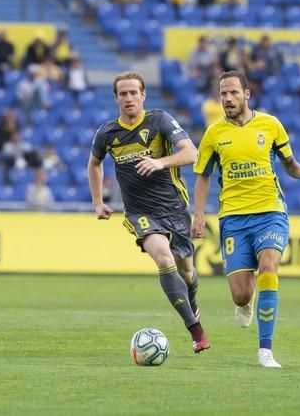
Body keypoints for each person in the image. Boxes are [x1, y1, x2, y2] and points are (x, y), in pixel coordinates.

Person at [191, 71, 300, 368]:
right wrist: (198, 214)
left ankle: (265, 351)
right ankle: (245, 303)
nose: (228, 99)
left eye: (234, 92)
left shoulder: (270, 125)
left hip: (270, 211)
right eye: (223, 94)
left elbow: (289, 163)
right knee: (240, 293)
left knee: (269, 266)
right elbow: (202, 177)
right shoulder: (214, 134)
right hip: (233, 218)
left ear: (247, 94)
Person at [88, 71, 210, 355]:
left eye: (133, 93)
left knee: (187, 272)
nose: (128, 98)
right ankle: (196, 330)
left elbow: (191, 154)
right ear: (116, 98)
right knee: (163, 258)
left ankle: (192, 305)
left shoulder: (160, 121)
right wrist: (97, 201)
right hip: (140, 212)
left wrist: (159, 163)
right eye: (123, 94)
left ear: (143, 95)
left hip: (174, 208)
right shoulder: (107, 133)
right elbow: (94, 164)